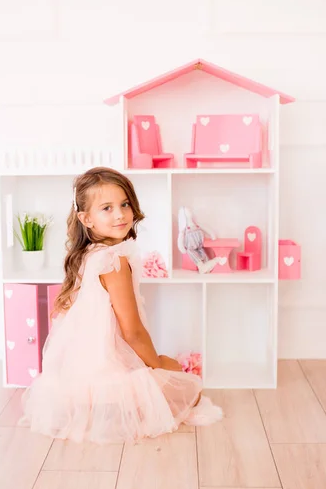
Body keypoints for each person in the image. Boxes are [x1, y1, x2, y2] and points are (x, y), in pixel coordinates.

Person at [20, 167, 222, 443]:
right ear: (86, 218)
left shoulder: (89, 253)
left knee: (175, 380)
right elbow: (132, 331)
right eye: (107, 208)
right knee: (190, 389)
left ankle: (104, 406)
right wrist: (157, 365)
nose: (120, 214)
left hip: (77, 374)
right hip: (107, 372)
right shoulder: (114, 261)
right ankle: (121, 404)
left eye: (125, 204)